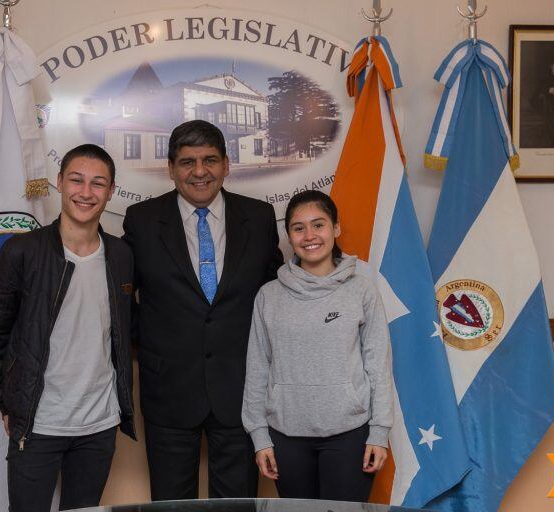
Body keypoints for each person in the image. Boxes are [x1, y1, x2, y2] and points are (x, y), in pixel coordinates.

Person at [123, 120, 284, 500]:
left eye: (210, 160)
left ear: (227, 164)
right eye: (187, 162)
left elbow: (277, 294)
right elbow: (121, 298)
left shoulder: (259, 218)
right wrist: (147, 343)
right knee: (171, 503)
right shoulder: (142, 221)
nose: (199, 172)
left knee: (238, 502)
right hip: (168, 389)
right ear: (171, 167)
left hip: (241, 387)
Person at [0, 144, 136, 511]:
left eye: (98, 184)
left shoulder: (122, 255)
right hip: (38, 423)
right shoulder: (22, 251)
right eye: (76, 180)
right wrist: (5, 401)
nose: (86, 192)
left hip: (99, 424)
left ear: (111, 191)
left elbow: (124, 331)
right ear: (60, 183)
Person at [242, 190, 393, 502]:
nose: (309, 236)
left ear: (335, 229)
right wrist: (259, 437)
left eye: (318, 225)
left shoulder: (362, 291)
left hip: (350, 435)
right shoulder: (269, 296)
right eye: (298, 228)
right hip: (286, 436)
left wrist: (379, 432)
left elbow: (378, 366)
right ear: (289, 236)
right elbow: (257, 369)